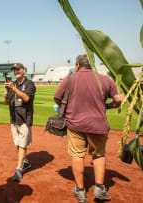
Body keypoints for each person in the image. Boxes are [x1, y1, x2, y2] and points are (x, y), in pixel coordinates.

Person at [54, 55, 123, 202]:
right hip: (98, 124)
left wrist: (64, 109)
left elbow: (57, 97)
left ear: (78, 65)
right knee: (98, 155)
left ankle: (80, 190)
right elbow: (118, 101)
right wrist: (107, 106)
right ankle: (99, 188)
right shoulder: (105, 79)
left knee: (77, 155)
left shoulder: (71, 78)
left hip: (75, 124)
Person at [3, 63, 36, 182]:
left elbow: (26, 98)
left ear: (23, 70)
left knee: (22, 145)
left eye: (17, 69)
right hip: (14, 119)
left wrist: (13, 88)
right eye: (14, 70)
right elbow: (7, 102)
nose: (15, 71)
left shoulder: (29, 84)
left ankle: (18, 169)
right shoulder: (13, 84)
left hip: (24, 119)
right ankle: (25, 162)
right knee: (17, 143)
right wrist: (6, 97)